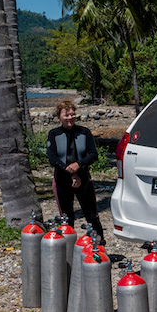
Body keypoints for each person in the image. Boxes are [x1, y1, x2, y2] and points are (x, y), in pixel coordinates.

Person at [46, 100, 105, 242]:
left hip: (83, 177)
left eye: (72, 114)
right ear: (59, 117)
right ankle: (68, 249)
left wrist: (79, 165)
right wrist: (68, 169)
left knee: (92, 215)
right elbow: (51, 156)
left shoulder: (84, 132)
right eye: (66, 115)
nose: (70, 118)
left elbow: (93, 154)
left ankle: (99, 245)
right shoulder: (54, 134)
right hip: (62, 179)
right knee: (67, 217)